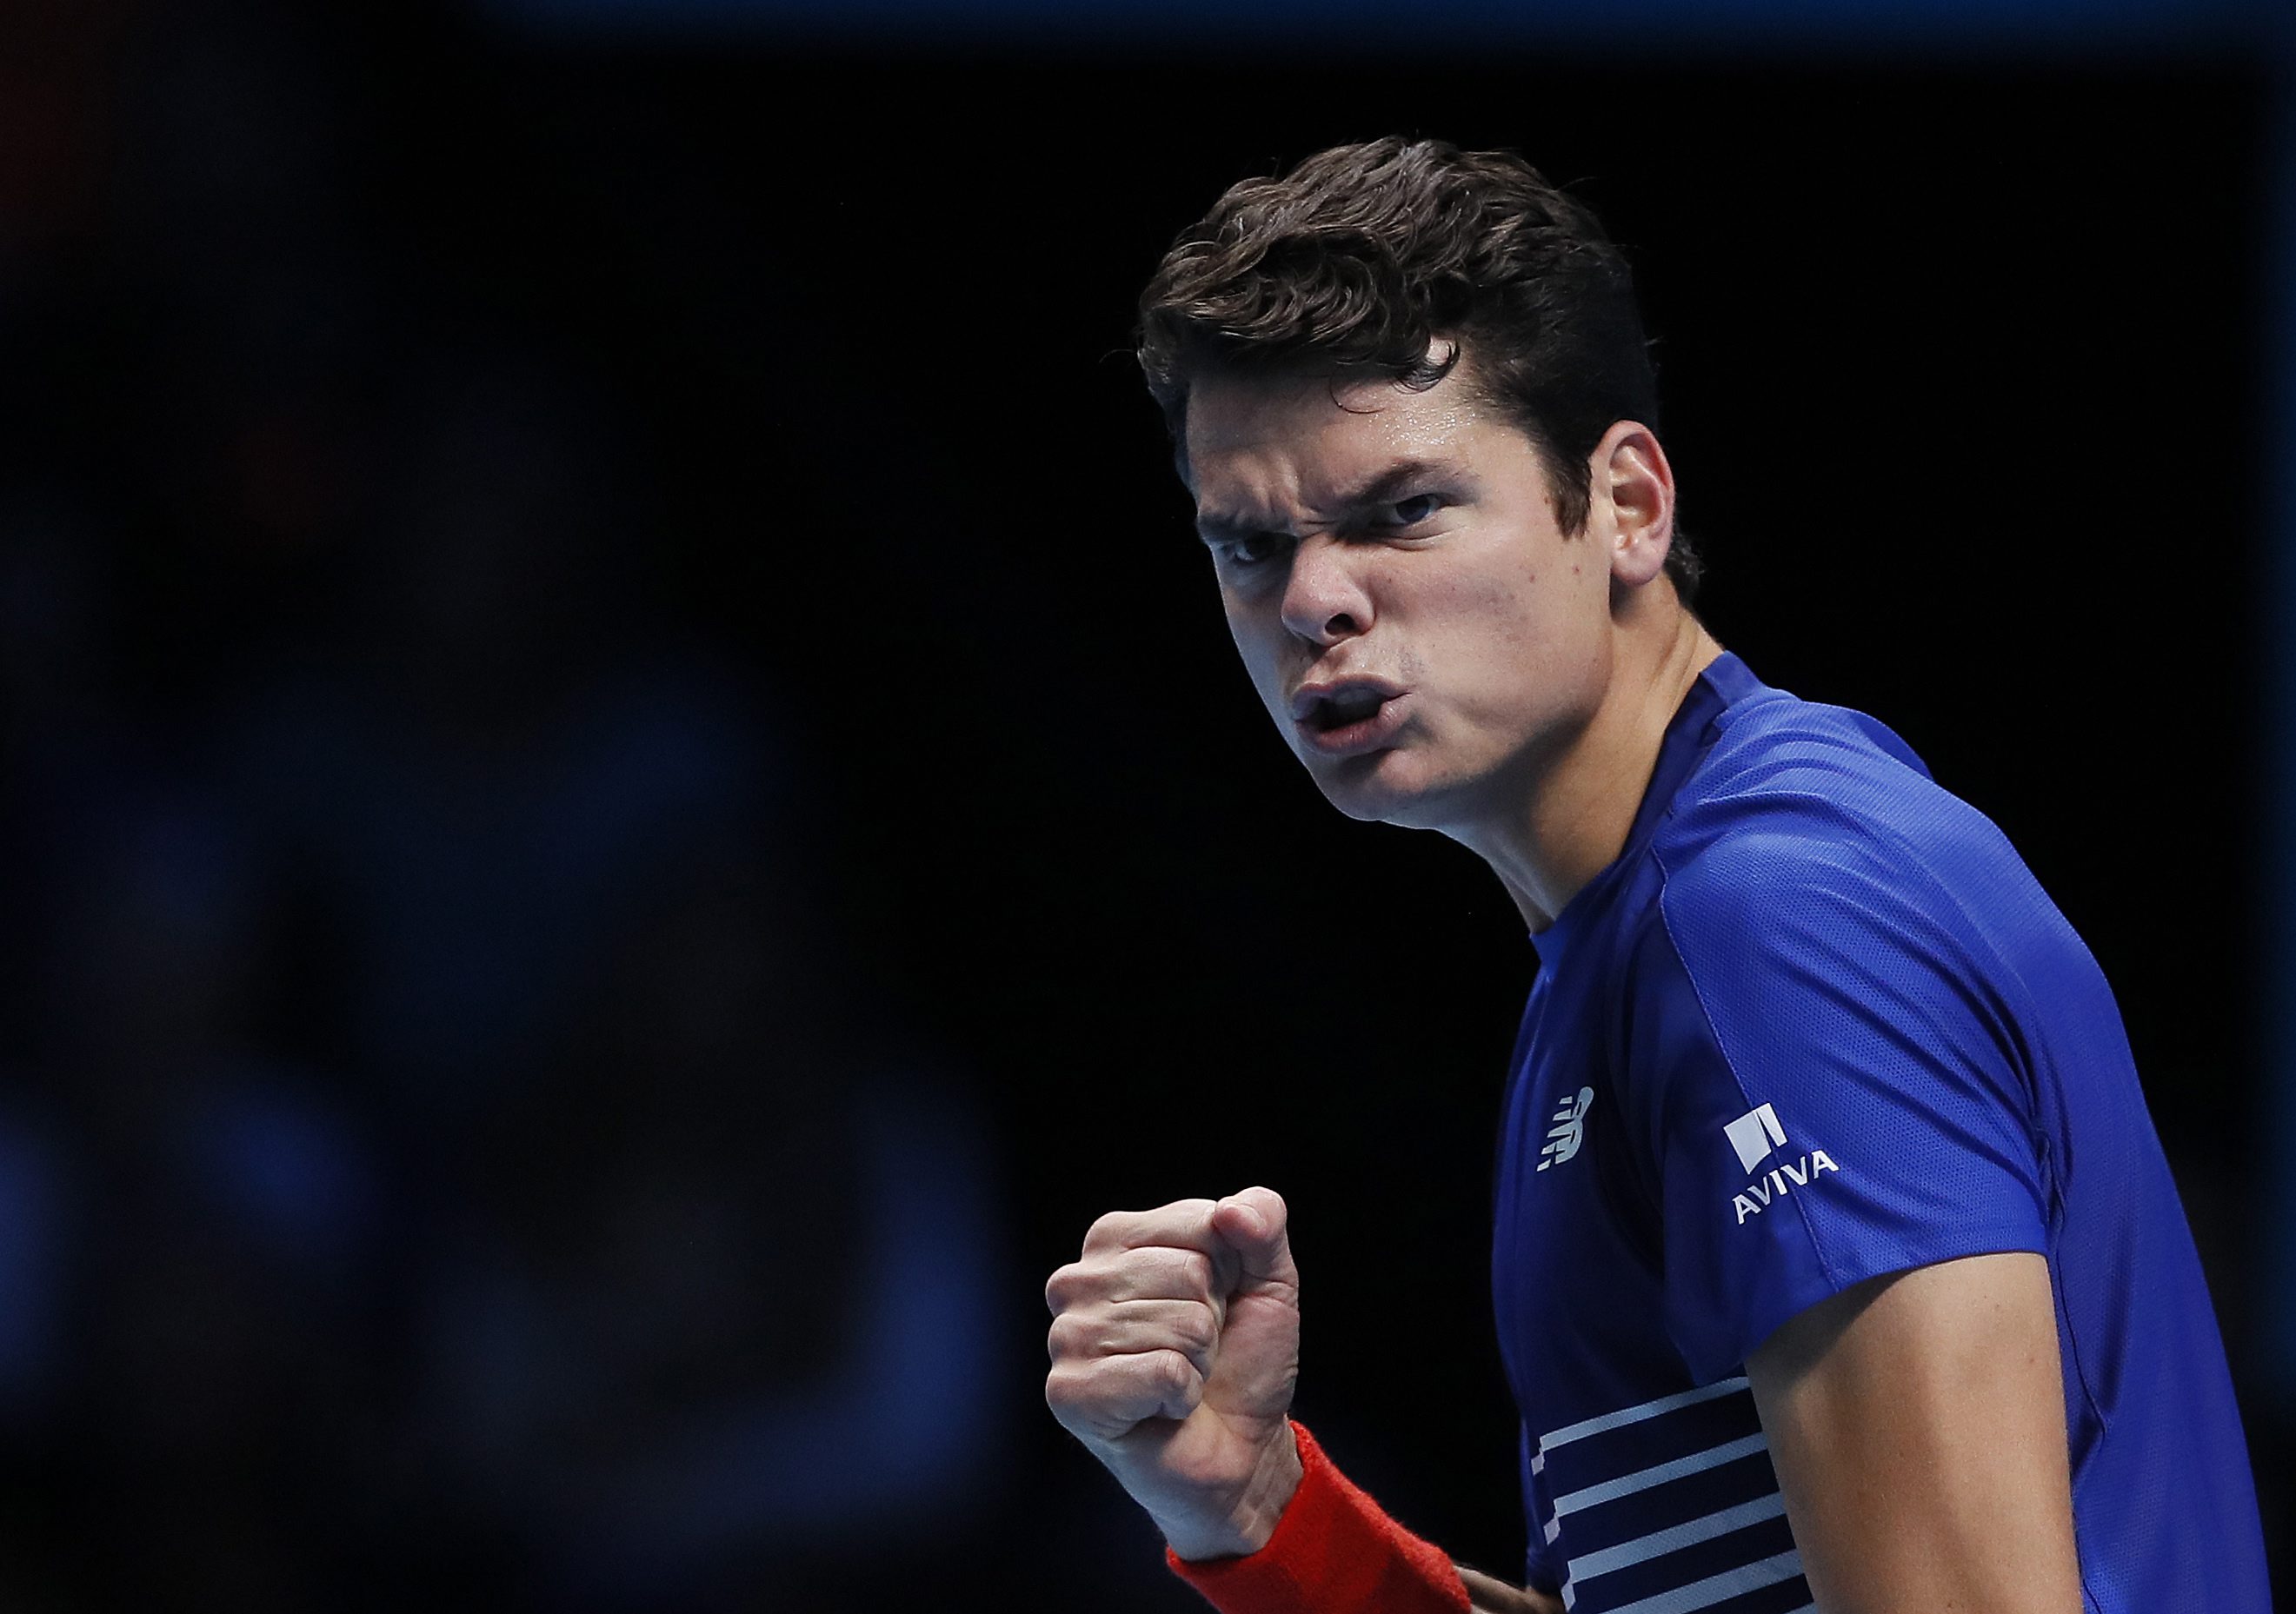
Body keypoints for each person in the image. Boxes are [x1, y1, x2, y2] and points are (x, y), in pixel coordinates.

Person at [1041, 137, 2272, 1614]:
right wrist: (1263, 1513)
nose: (1313, 600)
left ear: (1627, 504)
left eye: (1399, 510)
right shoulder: (1643, 938)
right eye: (1248, 546)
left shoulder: (1769, 923)